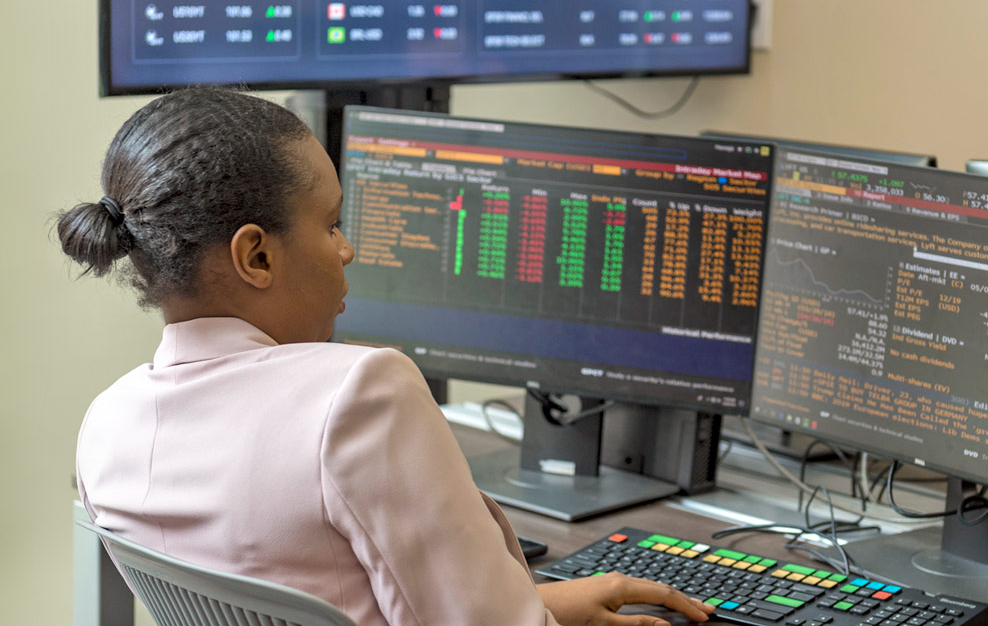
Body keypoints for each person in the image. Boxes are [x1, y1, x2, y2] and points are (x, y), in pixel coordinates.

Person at [59, 88, 715, 626]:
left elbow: (310, 590)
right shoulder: (361, 390)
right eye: (332, 224)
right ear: (256, 255)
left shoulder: (105, 429)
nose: (346, 251)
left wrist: (534, 604)